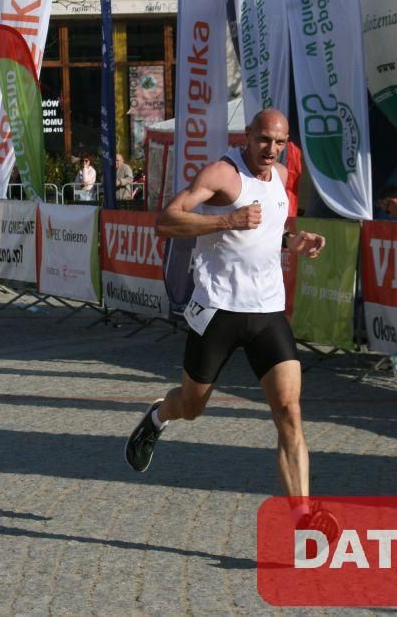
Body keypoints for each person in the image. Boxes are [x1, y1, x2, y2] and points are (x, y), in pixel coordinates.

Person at [124, 108, 336, 535]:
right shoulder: (222, 174)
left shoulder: (280, 176)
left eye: (279, 143)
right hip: (218, 309)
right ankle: (158, 417)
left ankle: (303, 520)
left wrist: (294, 240)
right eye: (264, 140)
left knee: (289, 411)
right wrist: (227, 220)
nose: (271, 150)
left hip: (267, 312)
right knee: (192, 406)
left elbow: (268, 230)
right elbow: (166, 222)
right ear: (248, 136)